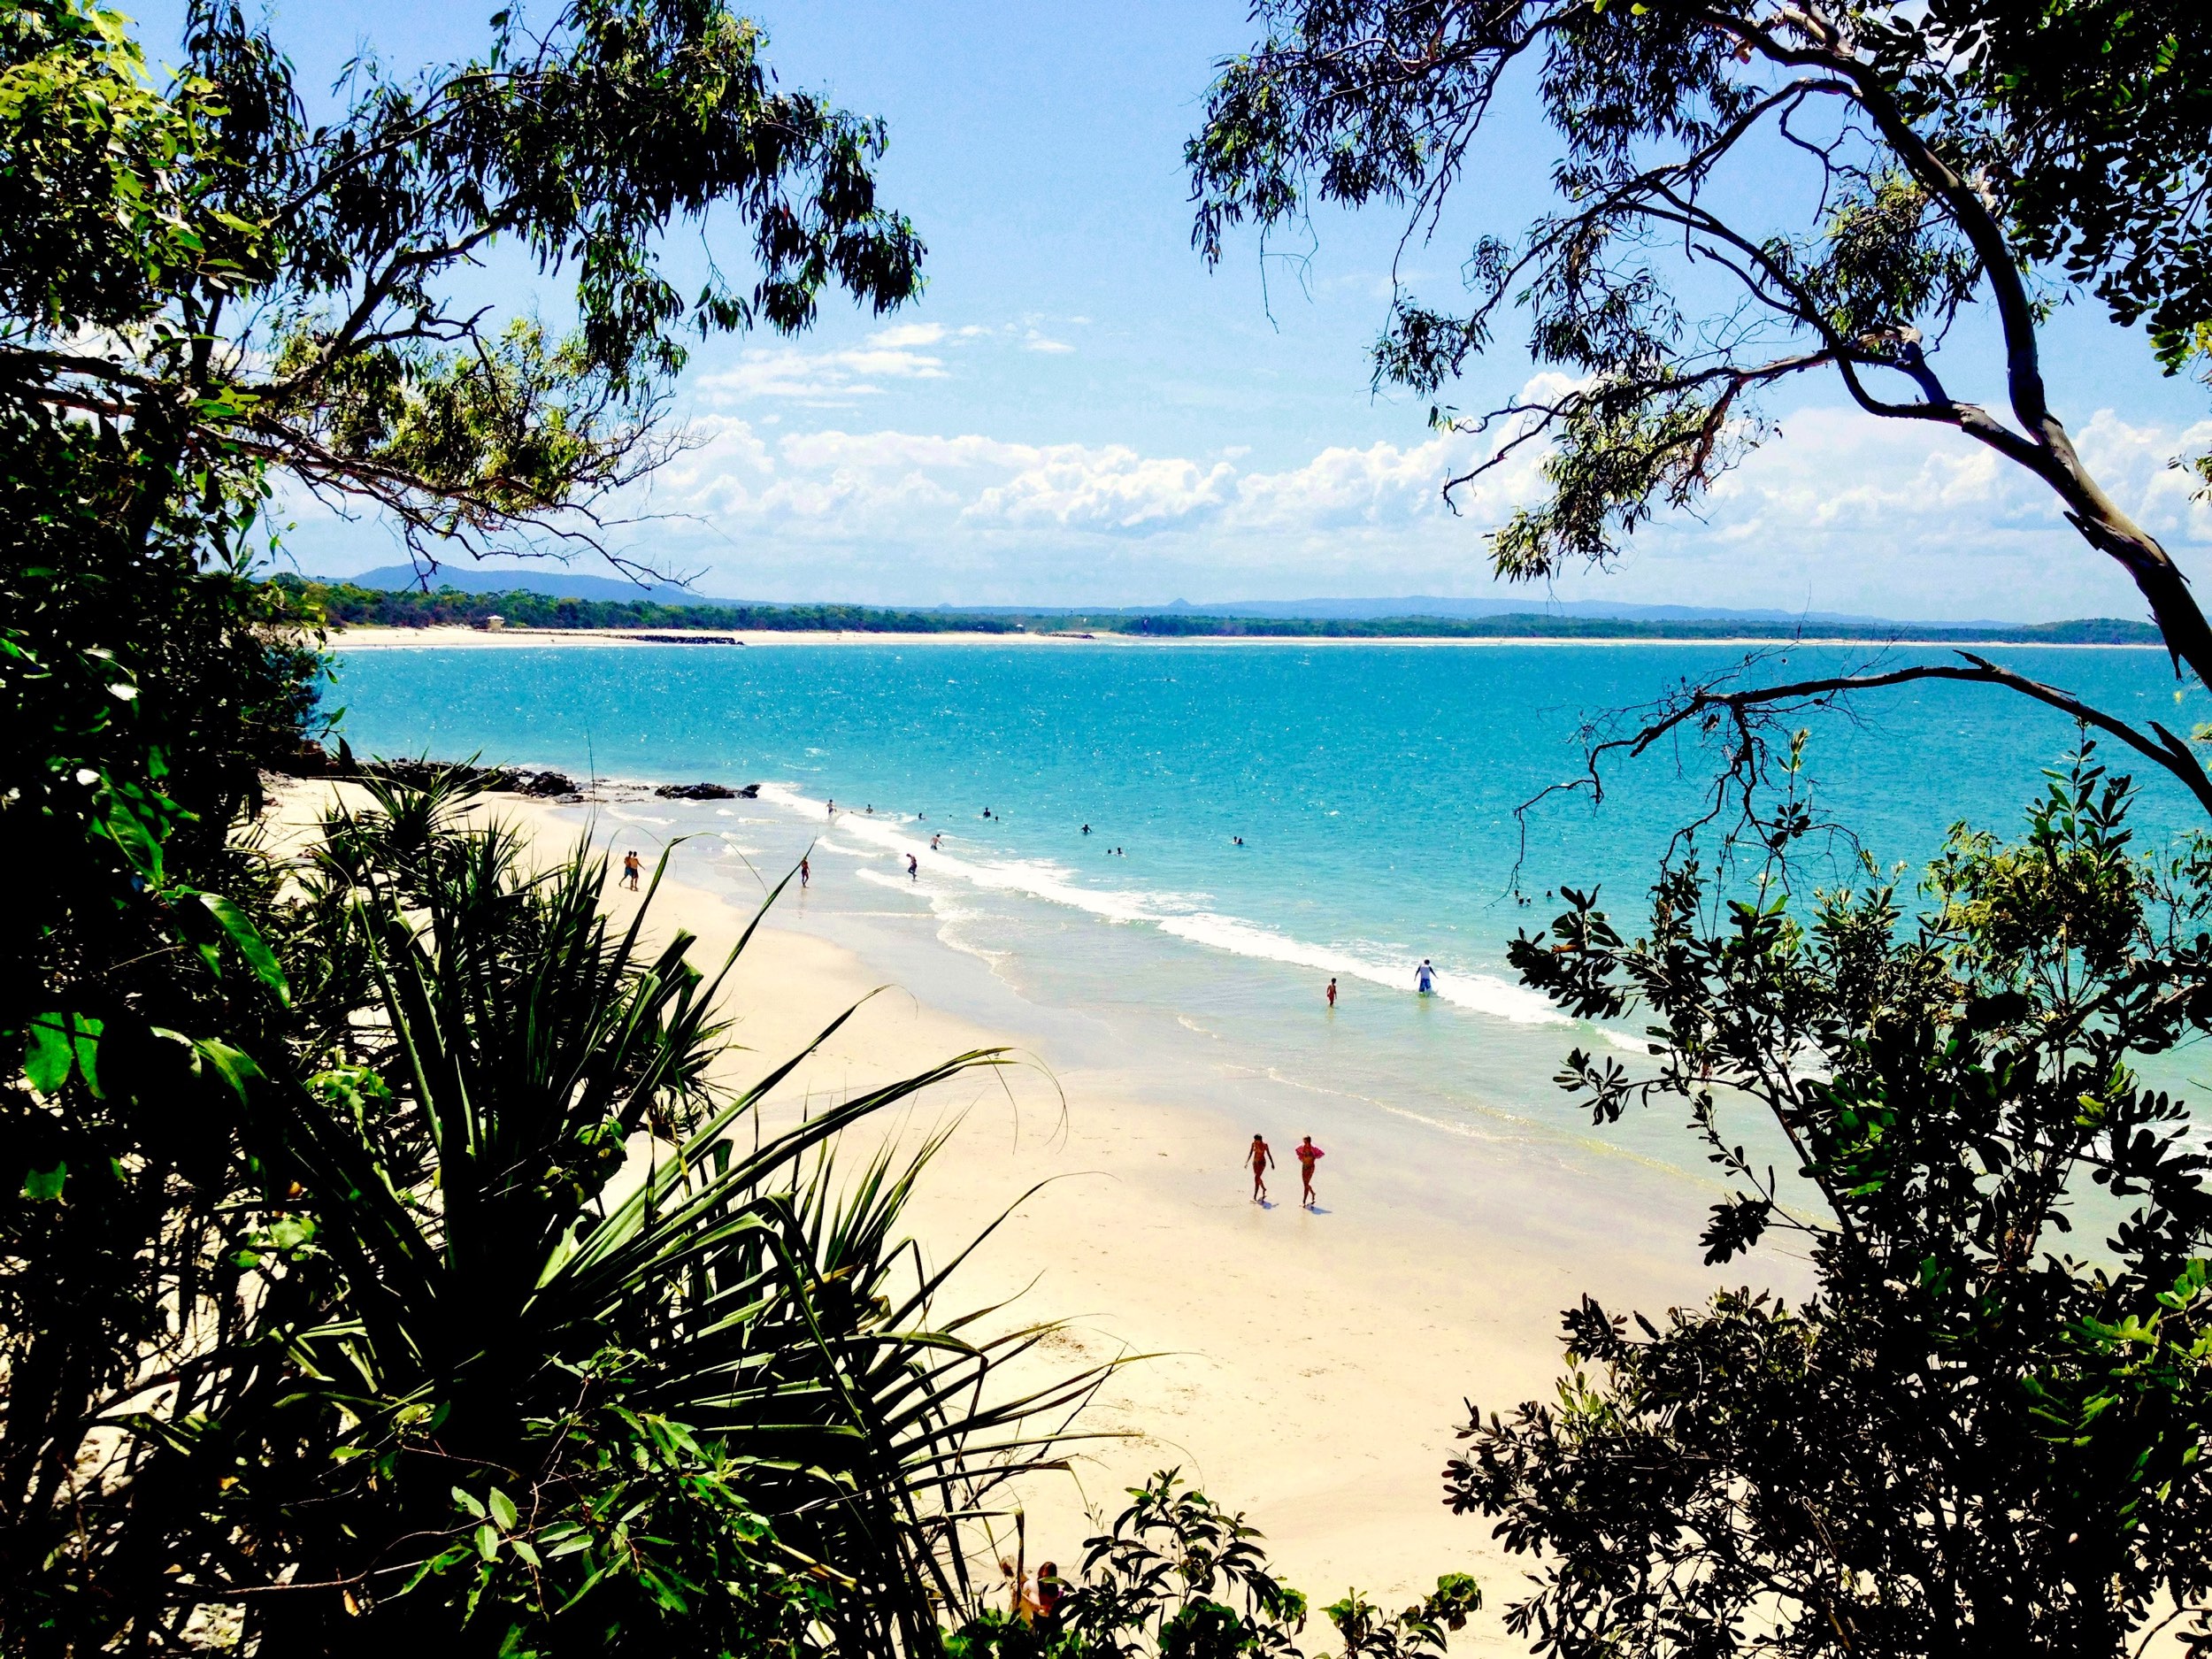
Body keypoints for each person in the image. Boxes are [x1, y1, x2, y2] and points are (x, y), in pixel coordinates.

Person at [1294, 1135, 1325, 1208]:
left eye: (1305, 1142)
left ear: (1309, 1142)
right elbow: (1296, 1150)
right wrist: (1301, 1157)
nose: (1304, 1143)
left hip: (1311, 1167)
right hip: (1304, 1167)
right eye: (1303, 1142)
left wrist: (1315, 1157)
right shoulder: (1302, 1147)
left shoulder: (1313, 1148)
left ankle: (1304, 1202)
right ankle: (1313, 1193)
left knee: (1306, 1184)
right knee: (1305, 1184)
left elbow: (1322, 1153)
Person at [1247, 1133, 1274, 1204]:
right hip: (1255, 1163)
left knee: (1256, 1178)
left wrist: (1272, 1163)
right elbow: (1250, 1153)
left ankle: (1254, 1197)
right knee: (1257, 1178)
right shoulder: (1253, 1144)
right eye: (1254, 1139)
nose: (1255, 1141)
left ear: (1259, 1140)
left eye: (1256, 1140)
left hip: (1262, 1163)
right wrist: (1247, 1162)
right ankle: (1263, 1188)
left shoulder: (1265, 1145)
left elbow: (1269, 1154)